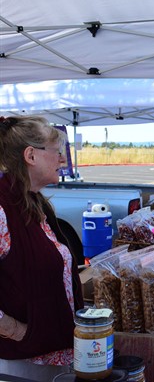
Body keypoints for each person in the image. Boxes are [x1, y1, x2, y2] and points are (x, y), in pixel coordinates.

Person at [0, 116, 84, 381]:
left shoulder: (33, 202)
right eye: (57, 152)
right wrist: (14, 329)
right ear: (31, 156)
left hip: (51, 356)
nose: (62, 160)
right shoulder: (3, 208)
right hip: (21, 365)